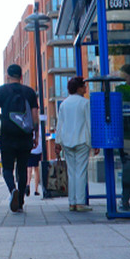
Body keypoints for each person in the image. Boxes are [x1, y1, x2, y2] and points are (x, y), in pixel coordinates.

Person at [0, 64, 39, 213]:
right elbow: (34, 118)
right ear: (21, 77)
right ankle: (20, 202)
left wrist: (5, 119)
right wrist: (35, 135)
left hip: (7, 135)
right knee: (22, 168)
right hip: (24, 136)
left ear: (8, 76)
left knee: (7, 168)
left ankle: (12, 190)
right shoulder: (30, 92)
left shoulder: (1, 91)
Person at [55, 76, 93, 212]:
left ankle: (72, 202)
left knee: (71, 172)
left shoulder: (64, 104)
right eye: (84, 86)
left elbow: (60, 125)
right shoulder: (85, 103)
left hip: (67, 141)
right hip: (82, 140)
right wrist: (93, 144)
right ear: (79, 88)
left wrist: (57, 142)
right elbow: (89, 124)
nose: (86, 88)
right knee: (81, 172)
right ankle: (80, 202)